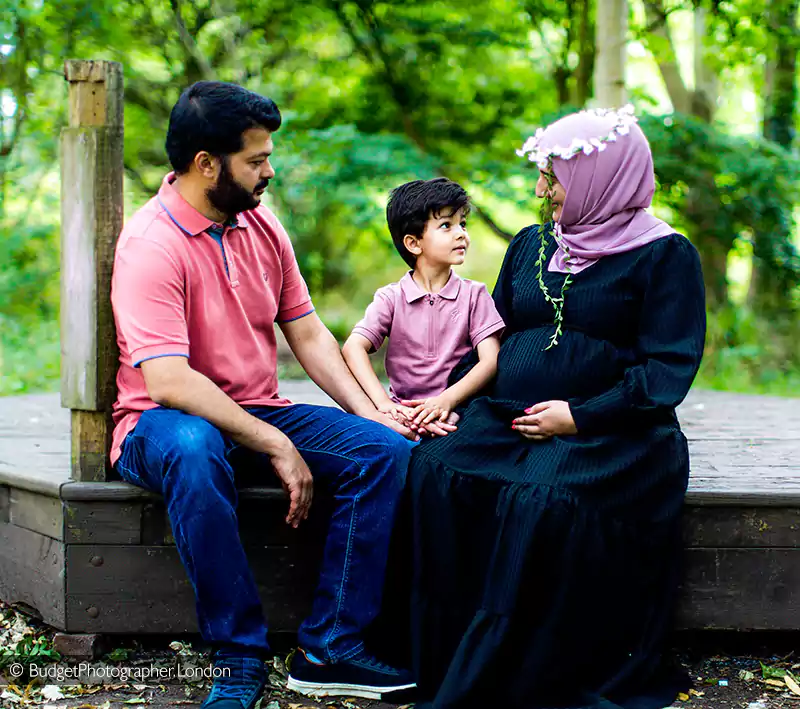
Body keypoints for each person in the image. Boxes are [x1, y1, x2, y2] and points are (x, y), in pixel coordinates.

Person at [110, 81, 417, 709]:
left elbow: (306, 331)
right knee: (196, 447)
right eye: (256, 159)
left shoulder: (261, 224)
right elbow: (168, 381)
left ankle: (331, 647)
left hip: (256, 409)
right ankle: (238, 655)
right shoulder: (151, 244)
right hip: (161, 422)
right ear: (206, 164)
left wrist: (375, 412)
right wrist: (275, 443)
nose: (268, 171)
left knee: (384, 451)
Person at [403, 106, 707, 709]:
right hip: (510, 413)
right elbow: (491, 335)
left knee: (540, 499)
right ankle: (440, 658)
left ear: (603, 176)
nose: (542, 189)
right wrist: (452, 401)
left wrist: (581, 415)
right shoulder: (532, 244)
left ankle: (515, 671)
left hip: (615, 431)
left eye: (554, 176)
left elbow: (666, 370)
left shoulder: (666, 255)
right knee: (437, 469)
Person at [342, 178, 504, 435]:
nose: (461, 233)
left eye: (462, 224)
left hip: (460, 409)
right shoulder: (391, 298)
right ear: (413, 243)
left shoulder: (475, 295)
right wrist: (383, 404)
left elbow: (490, 361)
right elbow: (353, 347)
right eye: (446, 226)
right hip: (403, 412)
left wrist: (447, 401)